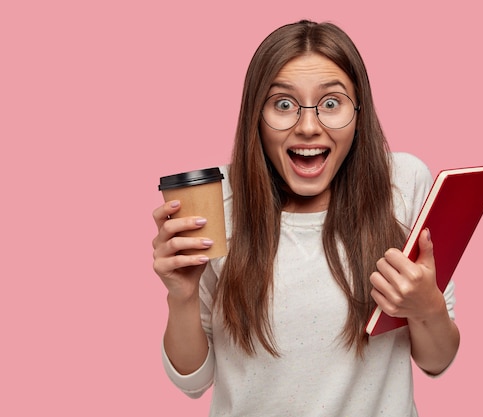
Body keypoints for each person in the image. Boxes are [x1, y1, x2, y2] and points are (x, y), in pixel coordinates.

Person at [152, 19, 460, 416]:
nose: (309, 127)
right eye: (283, 104)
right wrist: (182, 296)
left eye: (331, 103)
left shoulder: (403, 184)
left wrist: (426, 307)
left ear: (359, 111)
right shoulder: (217, 201)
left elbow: (437, 360)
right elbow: (193, 382)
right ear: (256, 117)